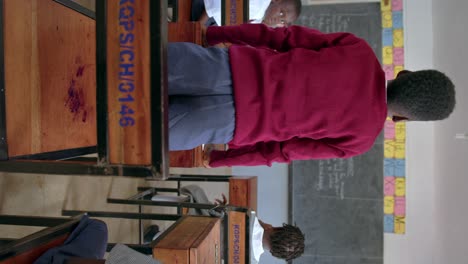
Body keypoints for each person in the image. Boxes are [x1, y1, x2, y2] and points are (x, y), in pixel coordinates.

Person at [167, 23, 456, 167]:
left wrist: (218, 34)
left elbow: (281, 37)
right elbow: (282, 151)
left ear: (404, 74)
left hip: (227, 68)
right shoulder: (360, 140)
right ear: (404, 118)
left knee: (133, 72)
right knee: (135, 126)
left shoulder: (360, 51)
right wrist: (219, 160)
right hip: (231, 122)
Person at [192, 0, 302, 28]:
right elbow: (215, 6)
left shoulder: (260, 16)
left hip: (208, 18)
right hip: (201, 8)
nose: (278, 20)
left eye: (282, 21)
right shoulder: (258, 5)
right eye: (281, 13)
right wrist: (198, 26)